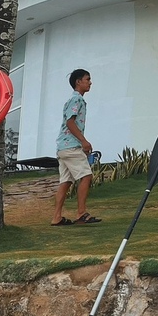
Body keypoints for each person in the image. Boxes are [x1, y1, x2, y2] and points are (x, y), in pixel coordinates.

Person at [51, 69, 101, 226]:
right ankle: (81, 213)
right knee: (86, 175)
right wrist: (84, 141)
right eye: (88, 79)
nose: (90, 82)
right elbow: (70, 122)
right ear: (78, 81)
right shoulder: (76, 100)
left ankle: (57, 217)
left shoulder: (74, 100)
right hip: (71, 146)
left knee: (65, 182)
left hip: (62, 147)